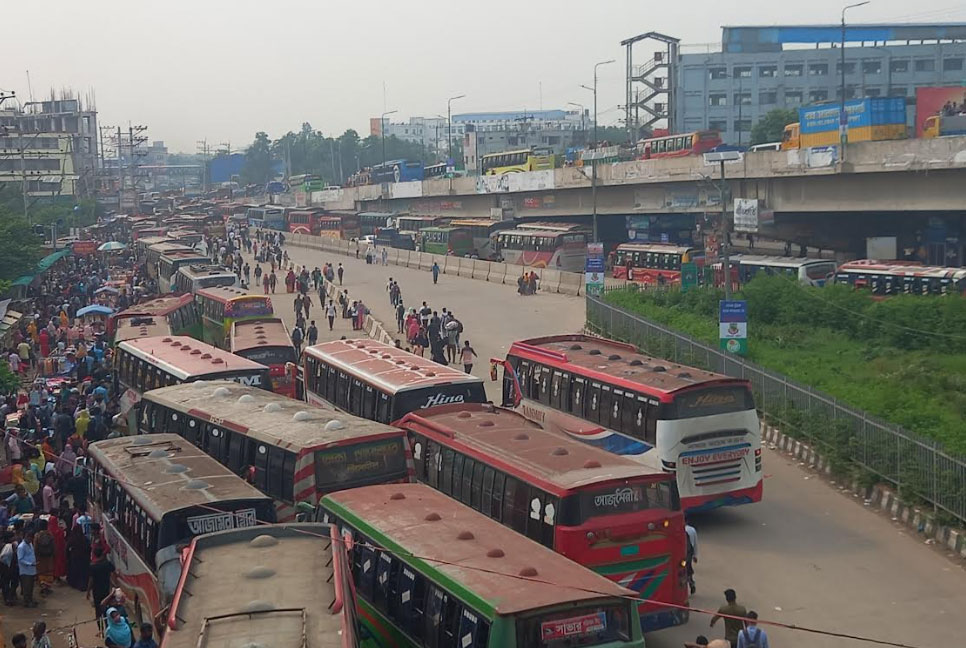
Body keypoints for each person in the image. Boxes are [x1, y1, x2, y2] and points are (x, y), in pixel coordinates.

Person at [88, 546, 116, 622]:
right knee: (107, 608)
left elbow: (91, 581)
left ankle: (100, 629)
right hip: (106, 590)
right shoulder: (107, 564)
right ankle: (107, 624)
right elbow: (113, 572)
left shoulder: (93, 566)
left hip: (96, 591)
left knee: (98, 610)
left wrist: (88, 592)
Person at [66, 524, 90, 591]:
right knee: (83, 572)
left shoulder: (72, 538)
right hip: (84, 558)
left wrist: (68, 556)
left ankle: (76, 584)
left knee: (75, 571)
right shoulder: (84, 539)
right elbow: (89, 548)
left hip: (75, 558)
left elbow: (67, 548)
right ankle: (83, 585)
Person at [17, 530, 37, 607]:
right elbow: (20, 559)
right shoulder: (21, 547)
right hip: (25, 570)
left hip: (32, 569)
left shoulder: (30, 544)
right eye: (28, 537)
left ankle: (30, 600)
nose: (30, 539)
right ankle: (26, 602)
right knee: (26, 587)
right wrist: (29, 564)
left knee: (31, 586)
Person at [685, 520, 697, 594]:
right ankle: (691, 584)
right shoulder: (692, 530)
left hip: (684, 555)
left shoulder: (681, 530)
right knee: (688, 570)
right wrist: (695, 555)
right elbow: (695, 543)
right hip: (689, 554)